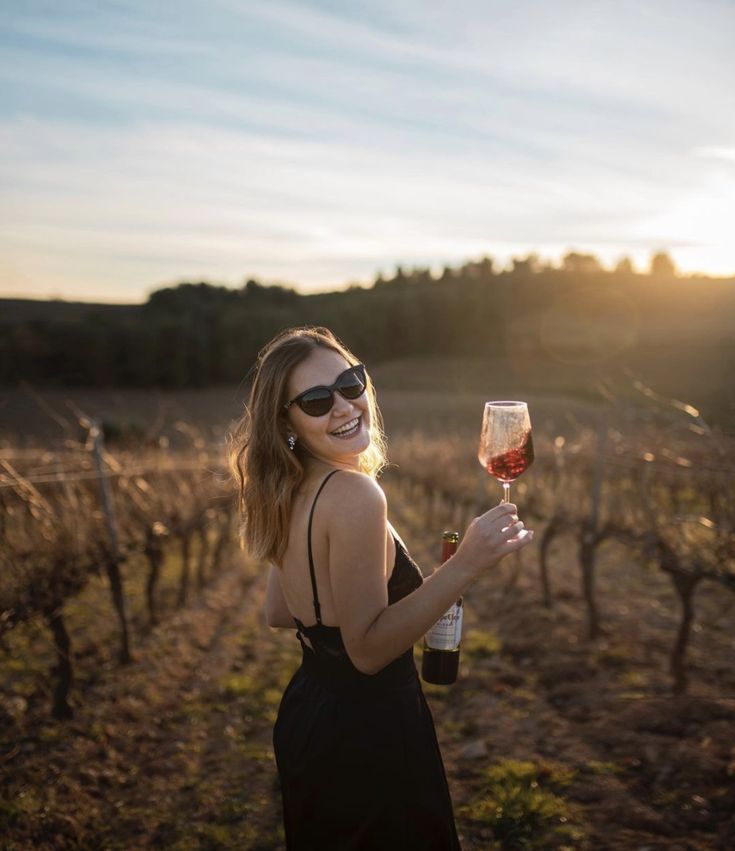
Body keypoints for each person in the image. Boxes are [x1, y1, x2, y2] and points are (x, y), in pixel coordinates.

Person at [229, 326, 534, 850]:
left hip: (309, 713)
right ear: (288, 423)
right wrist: (465, 564)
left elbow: (281, 612)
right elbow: (367, 652)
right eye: (318, 400)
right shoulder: (356, 495)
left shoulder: (292, 488)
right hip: (369, 733)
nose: (345, 406)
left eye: (351, 383)